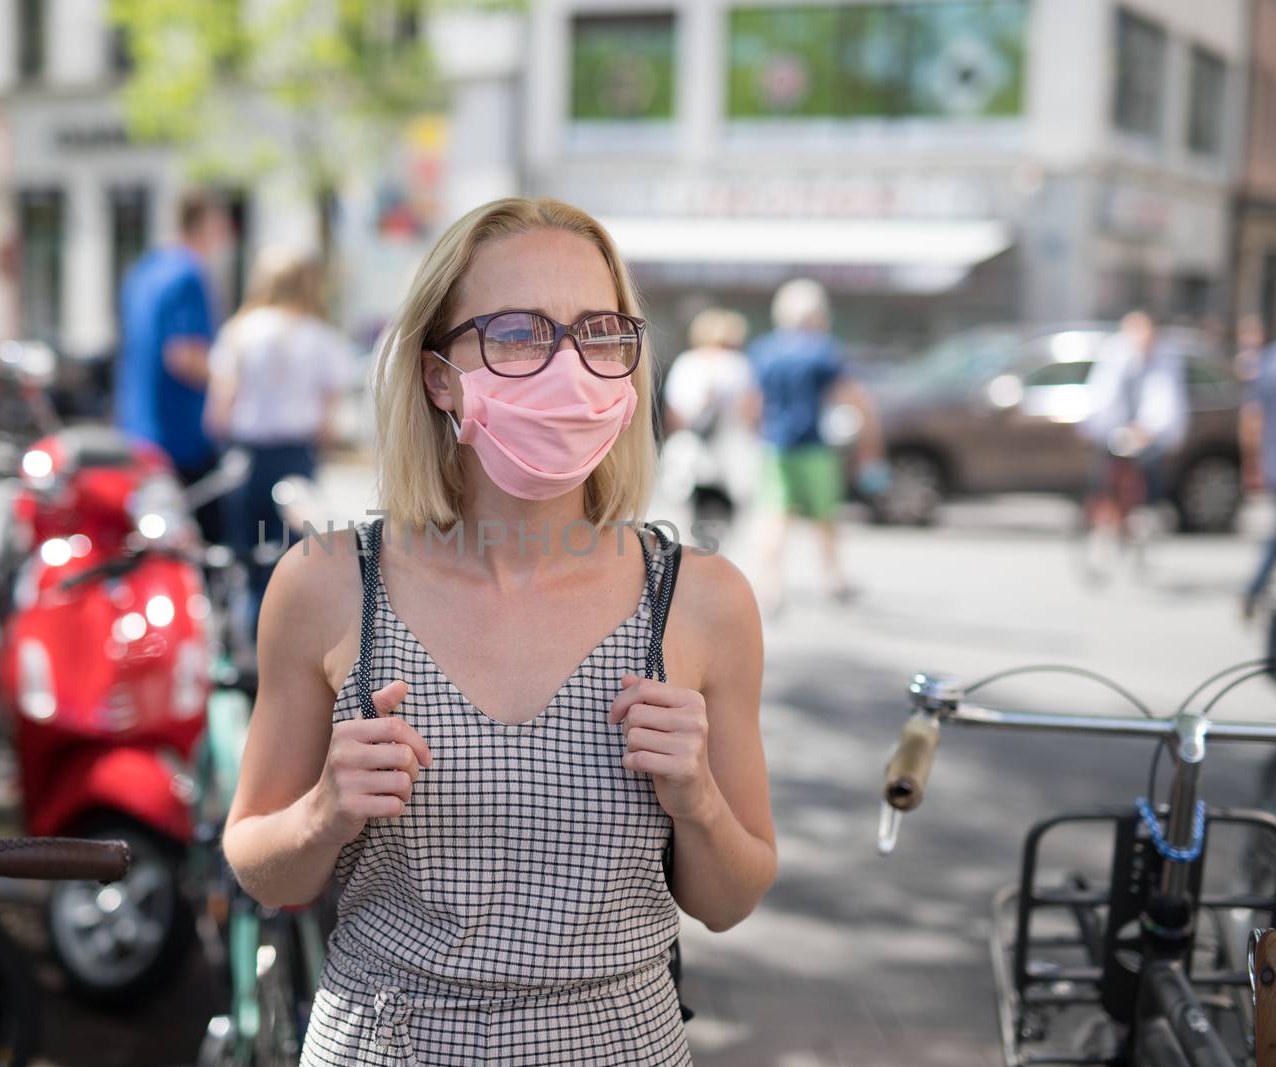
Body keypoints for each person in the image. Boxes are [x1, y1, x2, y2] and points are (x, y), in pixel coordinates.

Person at [221, 198, 776, 1065]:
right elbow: (260, 866)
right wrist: (326, 810)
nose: (568, 367)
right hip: (385, 1043)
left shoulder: (703, 601)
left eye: (598, 331)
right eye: (518, 333)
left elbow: (731, 898)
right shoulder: (327, 585)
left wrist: (697, 796)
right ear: (439, 374)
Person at [205, 251, 357, 636]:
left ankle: (248, 639)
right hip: (296, 456)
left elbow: (219, 412)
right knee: (296, 555)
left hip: (248, 457)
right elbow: (328, 421)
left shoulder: (239, 332)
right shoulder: (320, 336)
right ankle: (289, 638)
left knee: (248, 555)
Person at [746, 278, 884, 613]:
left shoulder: (765, 350)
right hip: (815, 446)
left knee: (774, 515)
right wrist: (870, 444)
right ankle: (833, 580)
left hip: (776, 445)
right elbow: (854, 398)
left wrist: (757, 433)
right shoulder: (823, 350)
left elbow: (752, 402)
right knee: (825, 517)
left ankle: (770, 585)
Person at [115, 188, 230, 542]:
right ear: (207, 224)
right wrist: (232, 382)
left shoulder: (143, 270)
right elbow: (184, 355)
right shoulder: (187, 273)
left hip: (135, 429)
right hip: (180, 437)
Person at [1079, 310, 1189, 574]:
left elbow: (1165, 400)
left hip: (1147, 433)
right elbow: (1104, 396)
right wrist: (1115, 428)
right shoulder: (1116, 354)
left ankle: (1143, 516)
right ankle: (1107, 525)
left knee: (1148, 473)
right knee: (1106, 479)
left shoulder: (1164, 357)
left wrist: (1147, 429)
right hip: (1113, 430)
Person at [662, 308, 758, 524]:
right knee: (728, 519)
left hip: (692, 448)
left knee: (687, 517)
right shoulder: (739, 364)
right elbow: (750, 411)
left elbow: (673, 413)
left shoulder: (686, 362)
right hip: (730, 451)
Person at [1242, 331, 1276, 617]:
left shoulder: (1272, 359)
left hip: (1275, 461)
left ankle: (1254, 590)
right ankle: (1254, 589)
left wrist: (1252, 459)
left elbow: (1251, 416)